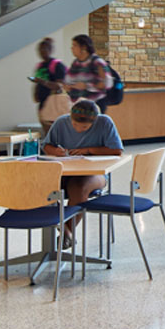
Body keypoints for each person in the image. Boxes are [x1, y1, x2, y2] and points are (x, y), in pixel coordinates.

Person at [42, 100, 124, 243]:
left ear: (94, 121)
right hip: (65, 171)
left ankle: (66, 235)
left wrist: (89, 150)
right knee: (42, 185)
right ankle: (66, 231)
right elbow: (47, 146)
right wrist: (56, 151)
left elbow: (117, 150)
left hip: (95, 174)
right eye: (75, 125)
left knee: (79, 186)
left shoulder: (104, 122)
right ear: (70, 118)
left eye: (84, 127)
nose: (79, 129)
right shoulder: (61, 122)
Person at [64, 33, 115, 111]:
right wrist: (68, 86)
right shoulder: (75, 63)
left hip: (94, 104)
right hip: (77, 105)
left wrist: (87, 86)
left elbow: (107, 83)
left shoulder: (97, 62)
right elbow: (69, 78)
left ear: (84, 47)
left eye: (75, 45)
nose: (72, 48)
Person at [30, 37, 69, 107]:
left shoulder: (57, 65)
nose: (42, 51)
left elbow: (60, 85)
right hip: (43, 103)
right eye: (40, 49)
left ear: (50, 50)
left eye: (44, 49)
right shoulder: (40, 66)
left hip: (55, 103)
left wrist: (42, 81)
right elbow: (37, 82)